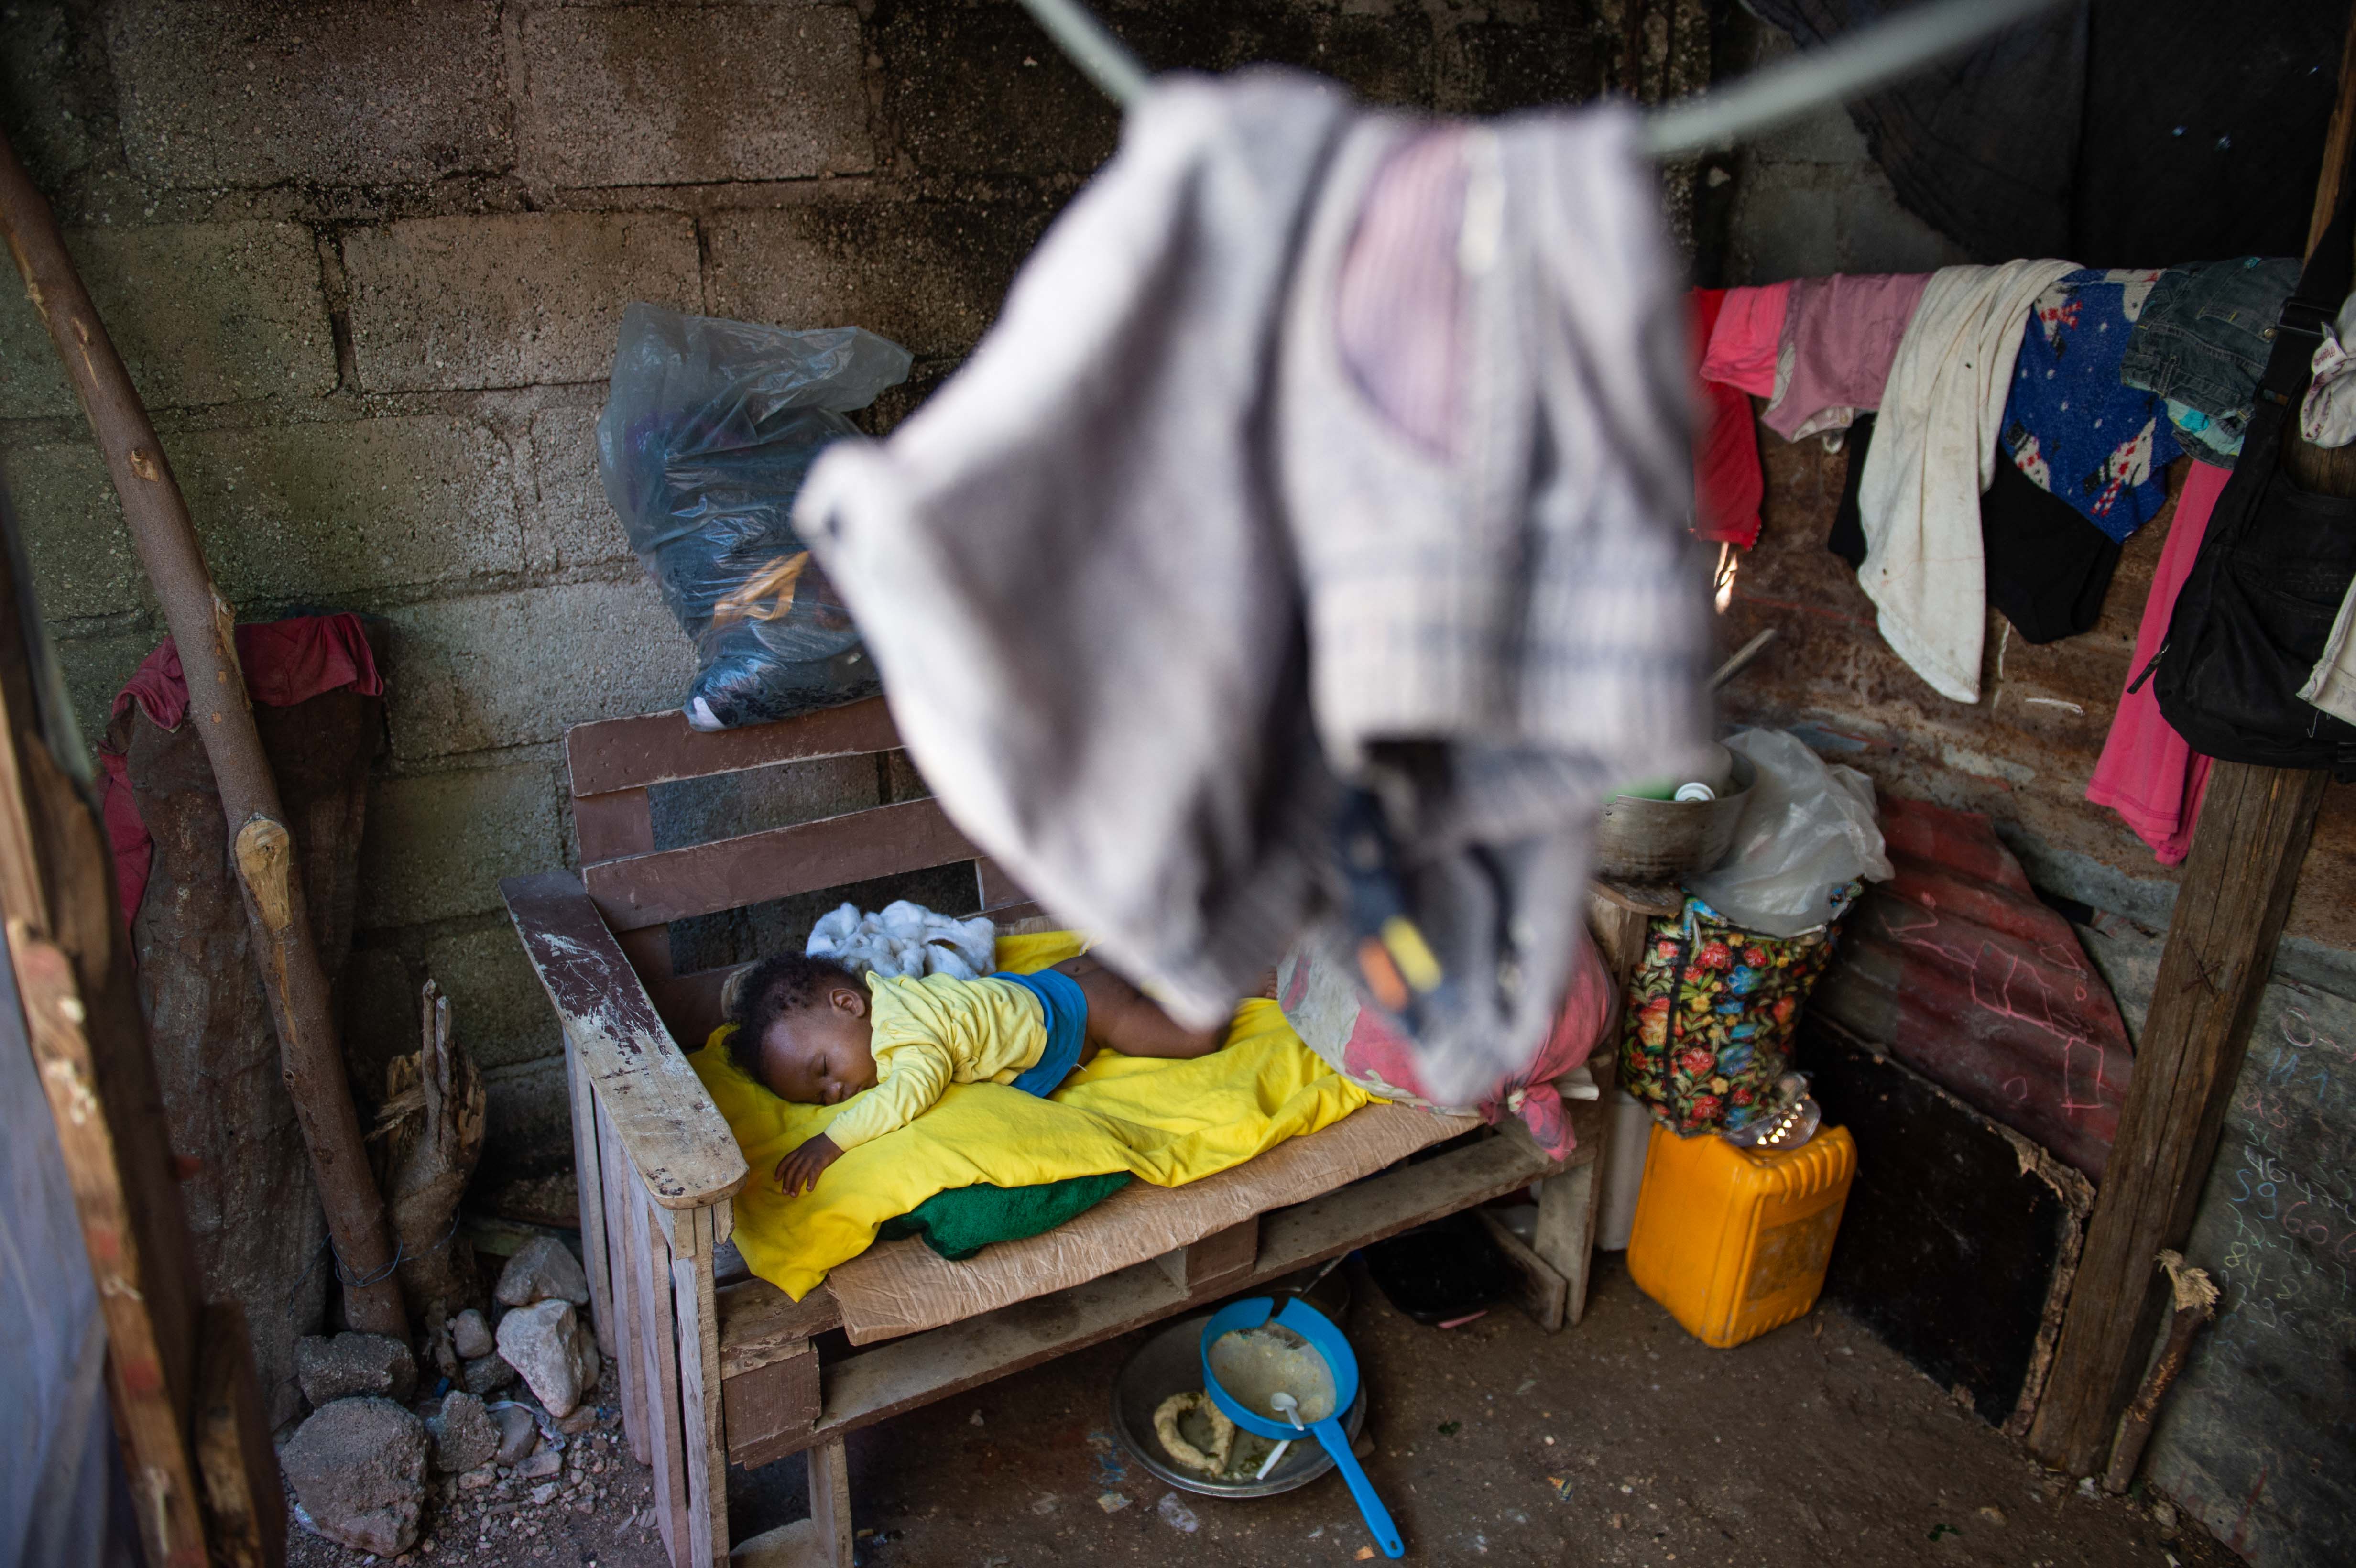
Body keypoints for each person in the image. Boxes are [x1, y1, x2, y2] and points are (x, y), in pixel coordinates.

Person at [726, 950, 1228, 1195]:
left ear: (848, 1004)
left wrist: (832, 1140)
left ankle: (1230, 977)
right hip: (1046, 985)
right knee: (1139, 962)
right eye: (821, 1099)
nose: (837, 1092)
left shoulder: (907, 1036)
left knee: (1197, 1039)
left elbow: (909, 1091)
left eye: (824, 1069)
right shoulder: (892, 993)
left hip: (1089, 1009)